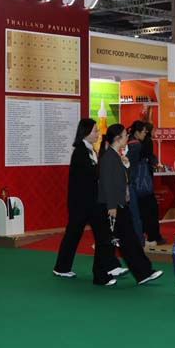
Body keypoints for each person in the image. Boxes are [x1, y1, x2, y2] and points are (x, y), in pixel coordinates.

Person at [53, 118, 120, 283]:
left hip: (91, 202)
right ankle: (63, 268)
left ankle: (108, 268)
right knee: (75, 235)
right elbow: (90, 176)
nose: (98, 133)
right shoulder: (80, 152)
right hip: (81, 203)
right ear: (86, 132)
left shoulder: (91, 150)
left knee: (100, 234)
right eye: (95, 130)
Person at [96, 123, 163, 287]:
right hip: (112, 206)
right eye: (125, 135)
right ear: (118, 138)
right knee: (108, 242)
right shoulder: (108, 157)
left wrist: (126, 166)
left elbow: (123, 179)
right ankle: (101, 276)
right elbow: (107, 184)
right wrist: (112, 206)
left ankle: (144, 272)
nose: (127, 137)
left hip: (120, 204)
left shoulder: (116, 156)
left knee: (127, 240)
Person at [138, 122, 165, 247]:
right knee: (151, 211)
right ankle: (154, 236)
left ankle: (148, 235)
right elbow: (149, 157)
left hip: (141, 185)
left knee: (144, 211)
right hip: (145, 184)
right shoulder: (147, 142)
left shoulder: (139, 143)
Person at [125, 122, 148, 245]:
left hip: (129, 182)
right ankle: (139, 240)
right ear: (137, 132)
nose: (145, 134)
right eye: (144, 131)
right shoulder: (136, 145)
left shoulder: (130, 145)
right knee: (134, 213)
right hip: (131, 182)